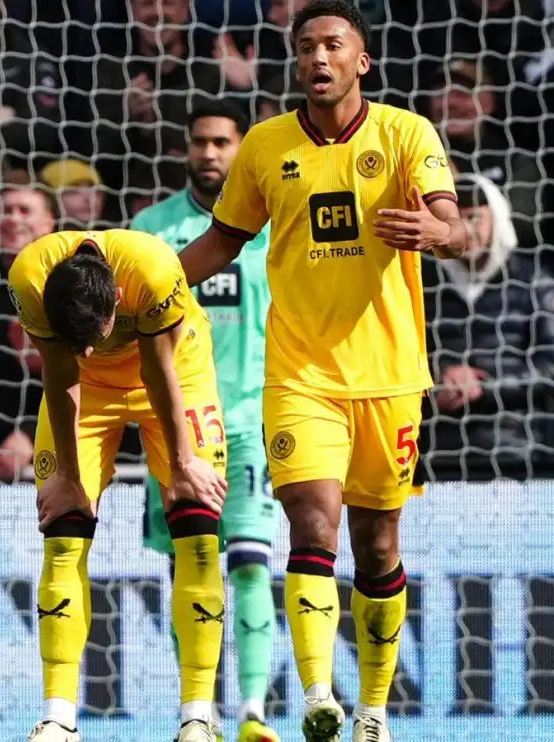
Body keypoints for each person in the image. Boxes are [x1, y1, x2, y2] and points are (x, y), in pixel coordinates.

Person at [176, 2, 467, 741]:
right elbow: (221, 241)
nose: (318, 57)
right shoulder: (268, 146)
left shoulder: (406, 133)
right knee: (312, 519)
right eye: (306, 46)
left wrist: (438, 232)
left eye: (333, 44)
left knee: (378, 545)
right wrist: (146, 288)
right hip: (299, 371)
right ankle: (315, 696)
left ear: (361, 59)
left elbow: (455, 227)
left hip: (391, 376)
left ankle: (373, 708)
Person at [11, 230, 230, 742]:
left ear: (117, 301)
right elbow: (62, 373)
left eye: (97, 332)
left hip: (177, 374)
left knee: (197, 530)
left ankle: (198, 715)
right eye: (78, 337)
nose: (89, 345)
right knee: (62, 537)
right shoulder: (29, 276)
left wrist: (182, 466)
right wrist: (67, 476)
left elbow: (160, 371)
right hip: (87, 389)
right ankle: (59, 717)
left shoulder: (152, 270)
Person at [132, 97, 280, 742]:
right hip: (174, 425)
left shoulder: (271, 225)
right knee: (189, 566)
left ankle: (251, 711)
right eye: (200, 142)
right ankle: (199, 711)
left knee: (249, 562)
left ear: (242, 149)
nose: (211, 153)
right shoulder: (151, 227)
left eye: (223, 142)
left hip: (248, 416)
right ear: (185, 150)